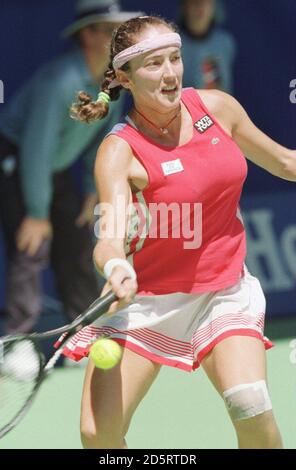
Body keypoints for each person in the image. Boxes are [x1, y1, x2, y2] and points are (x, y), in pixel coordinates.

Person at [59, 15, 296, 449]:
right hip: (147, 301)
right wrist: (116, 266)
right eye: (153, 64)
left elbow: (285, 163)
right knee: (98, 434)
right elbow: (109, 236)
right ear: (124, 78)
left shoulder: (217, 108)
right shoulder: (119, 151)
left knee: (249, 400)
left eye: (175, 58)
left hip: (223, 291)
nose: (170, 73)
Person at [0, 0, 142, 335]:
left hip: (52, 169)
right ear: (87, 36)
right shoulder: (59, 83)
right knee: (31, 244)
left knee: (76, 242)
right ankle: (16, 338)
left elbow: (101, 142)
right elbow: (36, 150)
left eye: (120, 33)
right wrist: (36, 213)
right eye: (109, 32)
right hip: (16, 161)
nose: (117, 40)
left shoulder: (113, 85)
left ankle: (86, 329)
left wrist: (93, 191)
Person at [179, 0, 236, 92]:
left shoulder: (225, 42)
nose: (200, 6)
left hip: (220, 104)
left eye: (206, 2)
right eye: (194, 2)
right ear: (184, 6)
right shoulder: (175, 45)